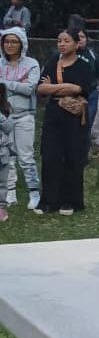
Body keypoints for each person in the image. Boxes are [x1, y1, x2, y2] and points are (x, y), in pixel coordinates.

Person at [36, 29, 95, 215]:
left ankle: (71, 201)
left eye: (66, 41)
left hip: (74, 115)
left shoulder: (84, 64)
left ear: (77, 44)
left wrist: (54, 87)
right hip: (54, 113)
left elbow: (81, 89)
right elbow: (41, 88)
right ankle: (48, 201)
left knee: (72, 156)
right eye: (59, 40)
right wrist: (65, 87)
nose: (62, 44)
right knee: (50, 155)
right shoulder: (53, 61)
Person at [0, 27, 41, 209]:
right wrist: (19, 83)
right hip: (3, 117)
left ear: (22, 43)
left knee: (26, 156)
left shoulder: (31, 63)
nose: (9, 45)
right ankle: (10, 192)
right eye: (6, 41)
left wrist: (5, 83)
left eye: (13, 41)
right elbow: (21, 86)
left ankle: (34, 192)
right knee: (6, 156)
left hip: (24, 115)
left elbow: (29, 88)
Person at [0, 83, 13, 222]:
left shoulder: (5, 108)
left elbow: (9, 127)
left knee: (2, 181)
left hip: (2, 151)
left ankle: (1, 207)